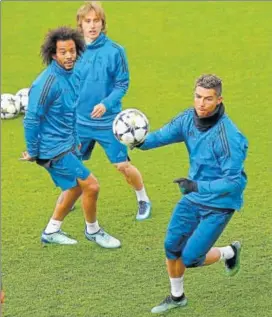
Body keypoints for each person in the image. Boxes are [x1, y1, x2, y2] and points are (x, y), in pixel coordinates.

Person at [133, 74, 248, 313]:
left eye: (208, 99)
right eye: (198, 97)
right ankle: (177, 298)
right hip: (193, 196)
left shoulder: (229, 137)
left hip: (220, 202)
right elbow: (163, 135)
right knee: (171, 247)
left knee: (191, 258)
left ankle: (230, 251)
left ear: (219, 100)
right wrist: (139, 141)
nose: (201, 103)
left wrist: (197, 187)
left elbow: (234, 182)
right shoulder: (188, 119)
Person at [22, 26, 120, 248]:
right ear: (53, 54)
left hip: (67, 142)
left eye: (72, 51)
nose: (68, 56)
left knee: (75, 187)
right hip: (53, 148)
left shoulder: (74, 74)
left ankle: (51, 231)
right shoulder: (46, 83)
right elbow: (31, 119)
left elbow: (70, 111)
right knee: (91, 186)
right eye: (63, 52)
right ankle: (93, 231)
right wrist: (35, 152)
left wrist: (75, 138)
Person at [72, 1, 151, 220]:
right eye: (87, 21)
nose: (92, 25)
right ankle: (70, 196)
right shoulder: (73, 50)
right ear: (80, 24)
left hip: (108, 122)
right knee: (70, 162)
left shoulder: (116, 51)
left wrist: (105, 103)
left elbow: (122, 84)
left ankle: (143, 198)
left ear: (102, 23)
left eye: (96, 20)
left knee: (123, 166)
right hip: (79, 121)